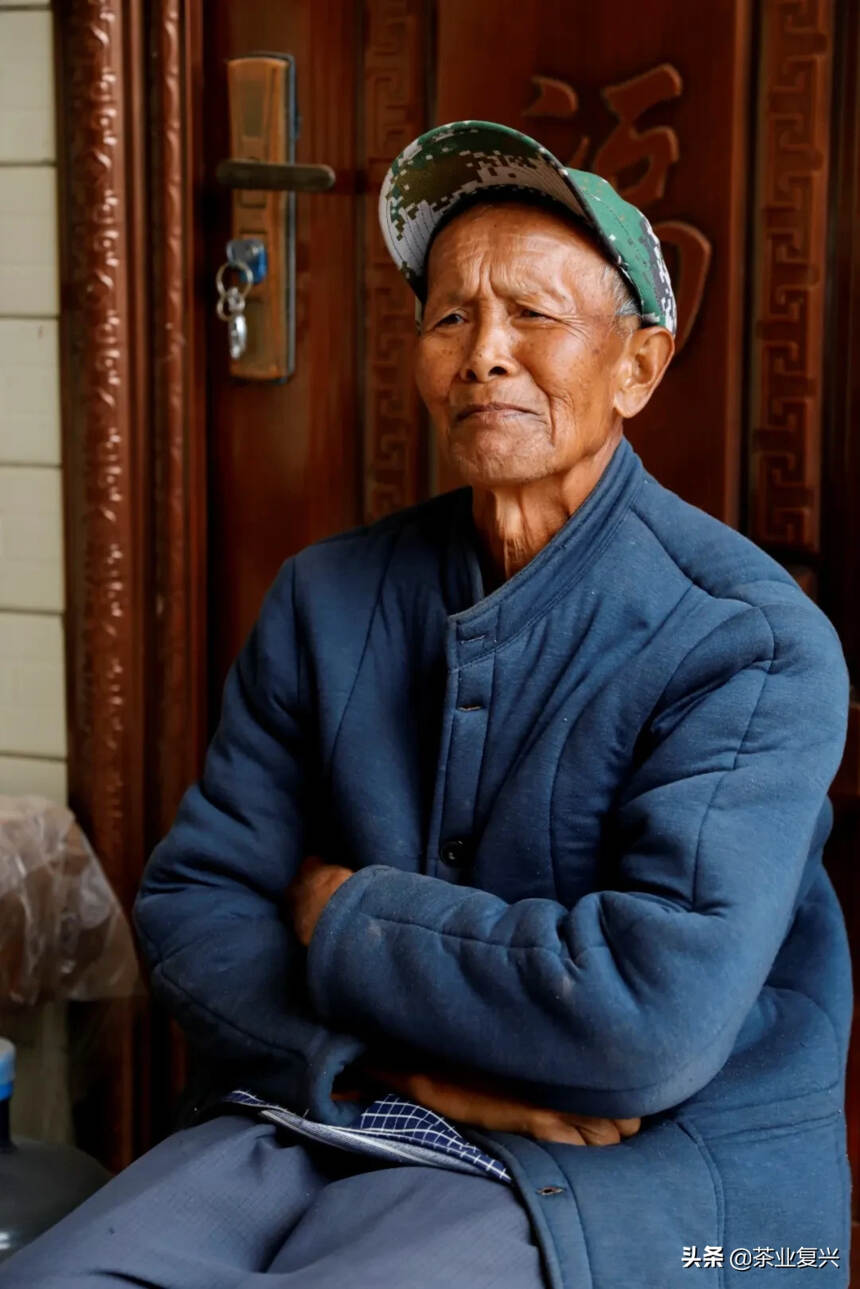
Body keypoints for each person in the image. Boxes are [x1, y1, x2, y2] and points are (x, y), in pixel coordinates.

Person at [1, 121, 851, 1289]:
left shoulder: (745, 640)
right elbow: (197, 901)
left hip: (625, 1169)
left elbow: (645, 1017)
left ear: (636, 368)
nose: (482, 354)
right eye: (451, 315)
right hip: (337, 1097)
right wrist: (396, 1068)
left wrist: (343, 911)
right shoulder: (327, 595)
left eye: (533, 318)